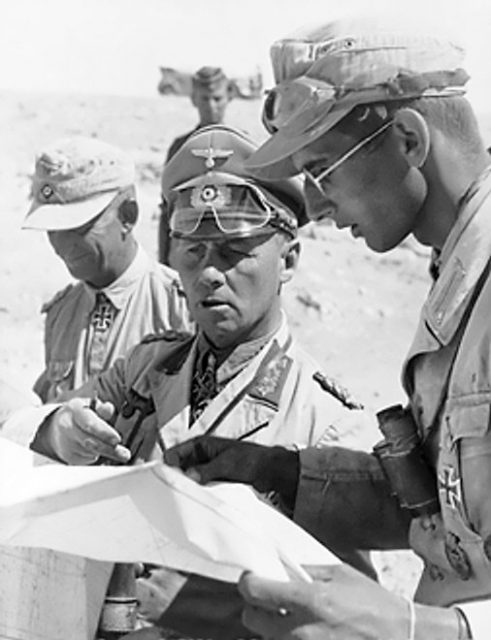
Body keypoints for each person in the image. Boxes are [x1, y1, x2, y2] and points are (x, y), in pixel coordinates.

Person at [164, 16, 491, 640]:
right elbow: (451, 506)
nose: (312, 208)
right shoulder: (459, 272)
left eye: (322, 171)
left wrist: (418, 628)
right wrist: (281, 475)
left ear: (409, 141)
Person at [18, 124, 376, 635]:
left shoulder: (327, 424)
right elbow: (27, 427)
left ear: (289, 259)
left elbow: (347, 620)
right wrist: (61, 428)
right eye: (194, 253)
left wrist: (198, 605)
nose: (209, 274)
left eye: (233, 254)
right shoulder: (148, 367)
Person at [23, 136, 191, 403]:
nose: (62, 244)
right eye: (53, 230)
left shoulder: (181, 308)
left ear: (128, 216)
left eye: (78, 228)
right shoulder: (61, 314)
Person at [159, 66, 234, 264]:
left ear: (229, 96)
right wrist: (164, 260)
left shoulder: (239, 146)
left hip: (229, 247)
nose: (211, 106)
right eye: (204, 99)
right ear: (194, 99)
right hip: (187, 246)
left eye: (217, 98)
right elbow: (167, 207)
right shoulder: (180, 148)